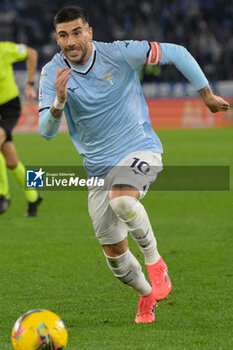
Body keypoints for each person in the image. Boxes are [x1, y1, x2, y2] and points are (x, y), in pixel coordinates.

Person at [38, 6, 230, 323]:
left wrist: (206, 94)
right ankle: (146, 296)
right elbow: (45, 132)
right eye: (63, 35)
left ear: (89, 32)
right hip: (98, 171)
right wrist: (59, 101)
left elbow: (176, 53)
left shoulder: (120, 53)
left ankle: (156, 262)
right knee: (115, 258)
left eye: (76, 32)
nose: (70, 41)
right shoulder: (53, 73)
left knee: (123, 198)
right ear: (57, 38)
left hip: (140, 148)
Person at [0, 41, 43, 216]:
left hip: (9, 107)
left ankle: (3, 195)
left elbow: (32, 53)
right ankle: (34, 196)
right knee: (11, 162)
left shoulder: (4, 49)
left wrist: (30, 84)